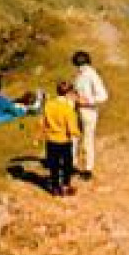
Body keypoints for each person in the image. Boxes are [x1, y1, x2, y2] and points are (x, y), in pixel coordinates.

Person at [70, 50, 109, 182]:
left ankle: (87, 169)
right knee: (74, 137)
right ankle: (73, 165)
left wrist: (87, 101)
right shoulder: (82, 74)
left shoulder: (91, 75)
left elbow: (103, 96)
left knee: (87, 139)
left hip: (89, 111)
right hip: (78, 110)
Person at [40, 82, 81, 197]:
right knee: (67, 164)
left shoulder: (48, 105)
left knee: (54, 164)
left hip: (51, 139)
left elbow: (43, 122)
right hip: (64, 140)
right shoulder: (67, 108)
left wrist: (40, 135)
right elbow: (72, 128)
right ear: (68, 93)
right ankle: (65, 186)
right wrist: (77, 134)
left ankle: (54, 187)